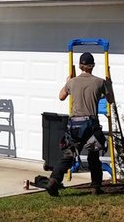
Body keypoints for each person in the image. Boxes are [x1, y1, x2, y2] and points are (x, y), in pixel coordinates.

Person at [46, 51, 115, 197]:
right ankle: (96, 187)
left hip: (74, 126)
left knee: (67, 157)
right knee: (93, 157)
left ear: (80, 66)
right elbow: (111, 100)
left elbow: (61, 97)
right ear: (93, 66)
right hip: (91, 126)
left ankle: (53, 180)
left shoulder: (72, 82)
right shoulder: (100, 82)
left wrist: (67, 82)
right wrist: (109, 85)